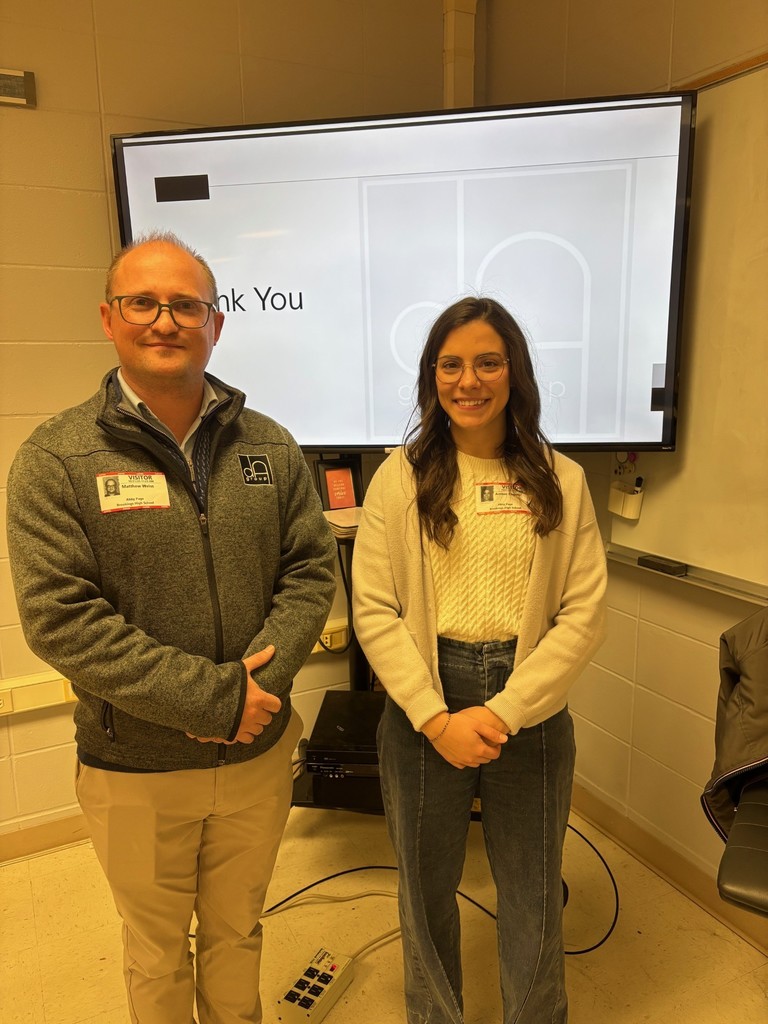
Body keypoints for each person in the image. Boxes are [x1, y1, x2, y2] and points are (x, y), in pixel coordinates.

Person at [6, 232, 337, 1024]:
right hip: (134, 767)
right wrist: (214, 700)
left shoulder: (269, 447)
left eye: (185, 304)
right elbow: (62, 620)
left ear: (214, 324)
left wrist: (258, 694)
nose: (165, 320)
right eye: (143, 303)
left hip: (258, 753)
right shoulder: (57, 458)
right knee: (155, 950)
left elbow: (311, 572)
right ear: (108, 318)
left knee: (237, 933)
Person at [352, 297, 607, 1023]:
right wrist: (435, 718)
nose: (469, 380)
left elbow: (583, 613)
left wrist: (504, 709)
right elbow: (374, 608)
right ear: (432, 376)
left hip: (528, 702)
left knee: (531, 886)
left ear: (513, 372)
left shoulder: (563, 479)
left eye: (487, 362)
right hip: (423, 699)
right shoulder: (399, 479)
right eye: (451, 363)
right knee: (425, 885)